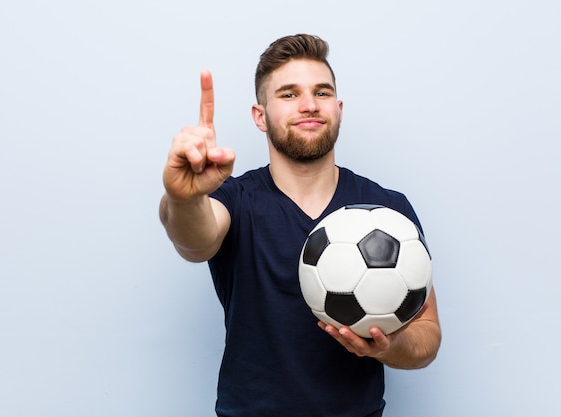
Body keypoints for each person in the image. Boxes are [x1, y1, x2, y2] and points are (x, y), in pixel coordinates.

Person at [159, 34, 441, 417]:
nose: (309, 105)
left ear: (338, 109)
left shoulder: (389, 211)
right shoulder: (235, 200)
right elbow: (195, 242)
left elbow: (427, 334)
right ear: (261, 116)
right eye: (289, 95)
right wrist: (183, 197)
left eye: (322, 93)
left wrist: (392, 347)